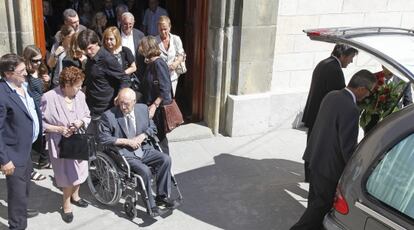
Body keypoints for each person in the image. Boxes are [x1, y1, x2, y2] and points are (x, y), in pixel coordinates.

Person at [290, 70, 377, 230]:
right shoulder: (351, 109)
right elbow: (347, 148)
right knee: (319, 208)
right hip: (329, 168)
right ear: (362, 88)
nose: (368, 96)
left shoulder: (331, 95)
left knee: (314, 203)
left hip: (315, 158)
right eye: (370, 91)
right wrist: (357, 168)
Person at [99, 88, 177, 217]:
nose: (123, 107)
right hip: (124, 153)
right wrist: (126, 141)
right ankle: (151, 206)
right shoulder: (109, 116)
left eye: (127, 104)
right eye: (121, 103)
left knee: (165, 159)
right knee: (144, 171)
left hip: (144, 148)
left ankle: (162, 197)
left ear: (134, 102)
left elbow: (152, 127)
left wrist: (142, 136)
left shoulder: (142, 109)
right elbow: (103, 138)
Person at [301, 43, 358, 182]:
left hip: (314, 112)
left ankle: (309, 175)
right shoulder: (335, 69)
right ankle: (313, 176)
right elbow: (341, 97)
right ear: (343, 55)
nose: (351, 61)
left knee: (312, 144)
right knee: (319, 148)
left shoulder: (324, 63)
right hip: (322, 115)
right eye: (350, 57)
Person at [41, 66, 91, 223]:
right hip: (60, 144)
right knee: (67, 176)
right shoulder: (48, 97)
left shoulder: (80, 96)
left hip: (78, 141)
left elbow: (87, 116)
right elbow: (40, 123)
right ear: (67, 85)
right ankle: (66, 205)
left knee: (80, 172)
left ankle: (76, 196)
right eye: (77, 86)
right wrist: (59, 129)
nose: (80, 88)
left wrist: (80, 122)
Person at [0, 53, 41, 229]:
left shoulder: (22, 84)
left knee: (23, 191)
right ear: (9, 73)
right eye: (21, 71)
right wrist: (4, 160)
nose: (26, 73)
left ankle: (21, 211)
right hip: (13, 155)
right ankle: (17, 225)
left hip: (26, 150)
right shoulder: (2, 95)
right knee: (17, 194)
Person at [77, 29, 129, 133]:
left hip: (106, 109)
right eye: (85, 50)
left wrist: (120, 96)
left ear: (96, 43)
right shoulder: (90, 59)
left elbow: (124, 78)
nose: (88, 52)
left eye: (90, 48)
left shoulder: (107, 59)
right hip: (92, 107)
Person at [138, 36, 172, 154]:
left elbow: (165, 88)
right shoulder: (151, 63)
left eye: (142, 46)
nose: (140, 49)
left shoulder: (158, 64)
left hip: (158, 109)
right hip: (151, 107)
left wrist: (154, 106)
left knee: (161, 138)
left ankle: (166, 165)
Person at [23, 45, 51, 177]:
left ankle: (43, 160)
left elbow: (43, 89)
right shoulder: (25, 74)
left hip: (43, 107)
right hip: (32, 109)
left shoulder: (41, 69)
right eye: (35, 61)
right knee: (29, 138)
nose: (38, 63)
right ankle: (29, 170)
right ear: (28, 60)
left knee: (44, 135)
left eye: (40, 59)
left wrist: (47, 80)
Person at [156, 16, 185, 96]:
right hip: (159, 77)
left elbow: (181, 54)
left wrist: (176, 63)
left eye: (165, 29)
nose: (163, 32)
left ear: (170, 27)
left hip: (173, 76)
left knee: (171, 98)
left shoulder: (176, 39)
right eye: (160, 29)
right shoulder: (154, 41)